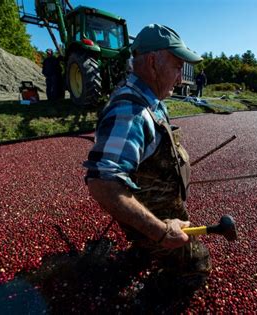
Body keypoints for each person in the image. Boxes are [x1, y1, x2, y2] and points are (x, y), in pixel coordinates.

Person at [83, 24, 211, 290]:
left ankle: (144, 250)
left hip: (164, 211)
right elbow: (102, 182)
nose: (179, 78)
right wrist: (160, 232)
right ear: (153, 62)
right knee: (196, 267)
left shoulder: (151, 100)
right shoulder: (131, 112)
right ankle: (152, 276)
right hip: (158, 221)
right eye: (177, 67)